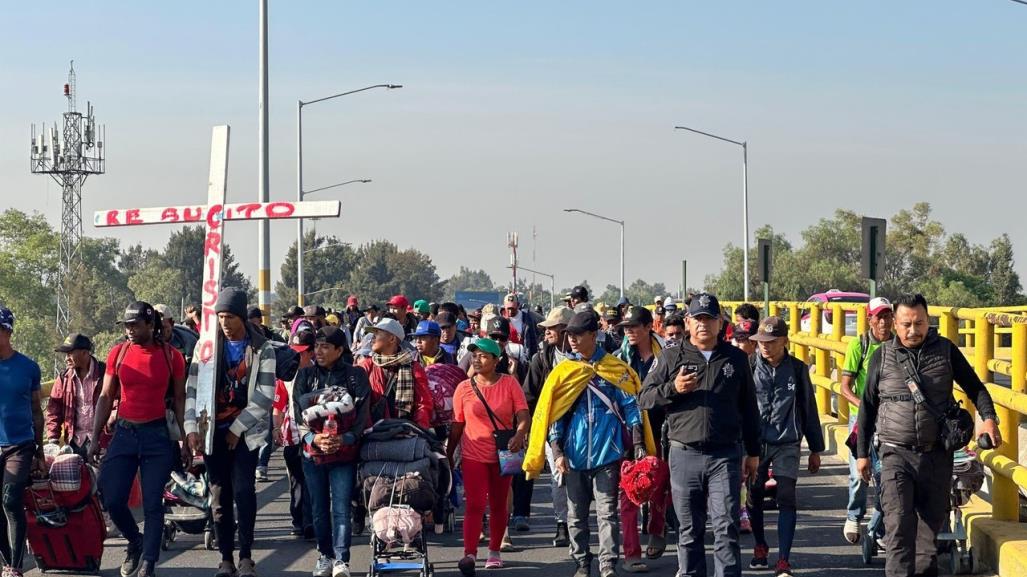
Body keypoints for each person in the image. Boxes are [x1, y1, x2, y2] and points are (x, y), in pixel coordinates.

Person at [856, 293, 1001, 577]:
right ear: (895, 324)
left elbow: (976, 388)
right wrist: (862, 454)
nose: (913, 330)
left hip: (937, 457)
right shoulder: (881, 357)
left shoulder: (946, 350)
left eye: (919, 323)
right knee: (898, 527)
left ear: (928, 321)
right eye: (906, 324)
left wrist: (989, 419)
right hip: (895, 454)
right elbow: (867, 408)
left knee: (927, 541)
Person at [639, 292, 760, 577]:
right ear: (689, 322)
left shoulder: (737, 359)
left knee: (726, 526)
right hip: (684, 454)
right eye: (698, 319)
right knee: (689, 530)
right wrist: (673, 389)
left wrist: (753, 452)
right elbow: (644, 398)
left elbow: (750, 409)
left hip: (725, 454)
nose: (704, 324)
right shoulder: (671, 357)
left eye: (710, 319)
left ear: (720, 323)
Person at [544, 311, 649, 577]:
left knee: (607, 514)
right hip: (574, 456)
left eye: (578, 335)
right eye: (570, 335)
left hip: (608, 454)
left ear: (594, 335)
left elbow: (631, 407)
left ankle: (607, 565)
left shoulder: (615, 369)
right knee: (576, 516)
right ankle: (581, 562)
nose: (573, 340)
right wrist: (557, 452)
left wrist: (638, 444)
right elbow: (556, 416)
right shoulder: (565, 372)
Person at [89, 301, 187, 577]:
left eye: (135, 325)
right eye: (126, 326)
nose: (129, 330)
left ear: (150, 325)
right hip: (124, 433)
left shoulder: (172, 356)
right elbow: (106, 396)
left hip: (157, 436)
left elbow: (179, 399)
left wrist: (185, 439)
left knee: (154, 502)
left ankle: (149, 563)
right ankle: (135, 540)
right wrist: (96, 436)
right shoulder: (118, 353)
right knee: (111, 495)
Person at [184, 287, 277, 577]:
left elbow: (264, 396)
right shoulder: (206, 347)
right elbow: (192, 388)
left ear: (241, 317)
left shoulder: (263, 349)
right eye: (220, 316)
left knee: (244, 491)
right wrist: (190, 428)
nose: (225, 323)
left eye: (230, 317)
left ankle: (246, 555)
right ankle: (225, 558)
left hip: (246, 434)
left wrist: (237, 428)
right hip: (213, 434)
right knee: (219, 496)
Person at [746, 317, 825, 577]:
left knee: (787, 496)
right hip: (756, 444)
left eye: (771, 341)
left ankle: (783, 560)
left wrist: (816, 449)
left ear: (785, 341)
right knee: (754, 496)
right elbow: (739, 408)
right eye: (761, 342)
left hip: (787, 442)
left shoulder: (797, 369)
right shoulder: (748, 367)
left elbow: (808, 409)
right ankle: (760, 545)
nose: (765, 347)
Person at [293, 327, 372, 577]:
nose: (319, 351)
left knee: (341, 507)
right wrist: (314, 438)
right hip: (312, 454)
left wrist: (344, 439)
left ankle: (342, 560)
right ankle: (324, 555)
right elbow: (297, 416)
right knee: (318, 507)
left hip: (344, 454)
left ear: (340, 350)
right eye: (317, 346)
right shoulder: (305, 375)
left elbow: (361, 418)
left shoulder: (355, 376)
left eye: (326, 347)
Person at [448, 338, 530, 576]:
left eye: (483, 355)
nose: (477, 359)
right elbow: (457, 424)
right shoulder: (463, 388)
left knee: (498, 503)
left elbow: (524, 416)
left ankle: (494, 550)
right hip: (473, 453)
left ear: (496, 360)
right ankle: (469, 554)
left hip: (504, 453)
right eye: (474, 355)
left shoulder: (510, 384)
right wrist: (449, 452)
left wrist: (519, 434)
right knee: (473, 504)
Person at [615, 306, 670, 569]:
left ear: (649, 327)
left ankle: (657, 529)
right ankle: (632, 554)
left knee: (659, 485)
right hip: (627, 433)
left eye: (634, 326)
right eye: (626, 328)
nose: (629, 332)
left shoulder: (668, 357)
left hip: (662, 431)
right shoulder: (619, 361)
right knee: (628, 492)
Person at [839, 297, 894, 545]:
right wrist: (864, 406)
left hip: (892, 418)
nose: (884, 322)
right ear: (870, 319)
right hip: (862, 417)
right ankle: (854, 515)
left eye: (887, 316)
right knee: (858, 473)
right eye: (879, 317)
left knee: (887, 477)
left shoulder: (898, 344)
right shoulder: (858, 346)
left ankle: (878, 528)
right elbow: (845, 387)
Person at [523, 306, 574, 547]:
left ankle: (577, 523)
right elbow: (529, 396)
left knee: (581, 479)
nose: (546, 333)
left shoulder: (584, 356)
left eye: (551, 328)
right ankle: (562, 524)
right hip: (551, 430)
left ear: (566, 330)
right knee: (558, 478)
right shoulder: (541, 358)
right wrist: (533, 429)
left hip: (583, 427)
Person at [0, 306, 46, 577]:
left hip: (20, 444)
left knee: (10, 500)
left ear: (7, 332)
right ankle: (8, 560)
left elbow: (36, 411)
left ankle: (16, 568)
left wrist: (39, 451)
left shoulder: (28, 367)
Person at [271, 330, 316, 539]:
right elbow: (278, 406)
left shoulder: (320, 374)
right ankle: (298, 519)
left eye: (303, 352)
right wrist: (275, 428)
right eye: (295, 352)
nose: (298, 357)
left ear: (312, 352)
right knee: (296, 479)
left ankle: (311, 520)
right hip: (291, 434)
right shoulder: (285, 374)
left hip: (315, 434)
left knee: (312, 478)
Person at [357, 318, 433, 430]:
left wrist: (418, 430)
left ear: (392, 339)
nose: (372, 338)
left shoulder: (413, 367)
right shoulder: (367, 366)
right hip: (372, 432)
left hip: (404, 431)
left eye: (377, 334)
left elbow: (423, 404)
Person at [45, 333, 107, 454]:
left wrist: (111, 425)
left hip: (102, 440)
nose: (66, 358)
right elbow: (54, 409)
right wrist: (53, 439)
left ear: (85, 353)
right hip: (75, 441)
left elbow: (115, 401)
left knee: (102, 472)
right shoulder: (64, 378)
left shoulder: (104, 373)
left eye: (70, 354)